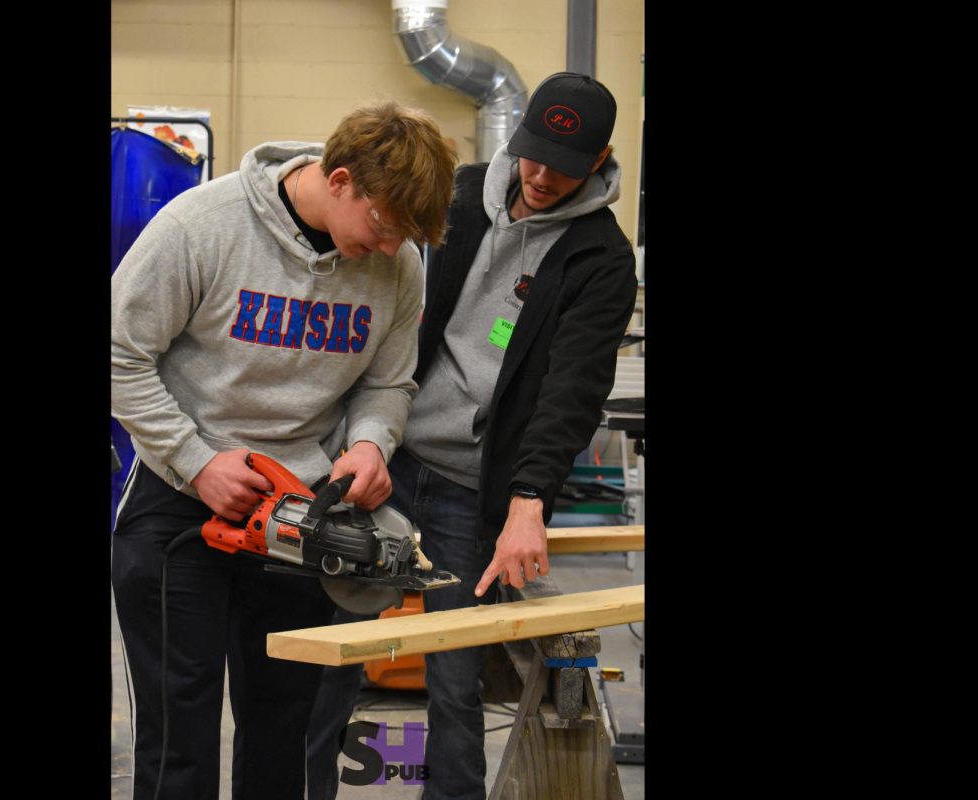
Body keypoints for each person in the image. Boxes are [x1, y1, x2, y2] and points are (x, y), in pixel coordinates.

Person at [307, 73, 639, 800]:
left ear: (602, 157)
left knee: (453, 680)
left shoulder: (601, 260)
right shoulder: (457, 194)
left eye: (565, 163)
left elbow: (571, 393)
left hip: (469, 487)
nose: (542, 177)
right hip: (384, 456)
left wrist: (528, 500)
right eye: (532, 156)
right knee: (324, 659)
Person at [111, 101, 456, 800]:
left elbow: (388, 383)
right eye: (384, 226)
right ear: (338, 180)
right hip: (181, 505)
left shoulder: (400, 263)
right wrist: (197, 460)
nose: (391, 250)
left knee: (285, 728)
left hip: (302, 513)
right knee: (180, 728)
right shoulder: (198, 228)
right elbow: (120, 355)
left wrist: (368, 444)